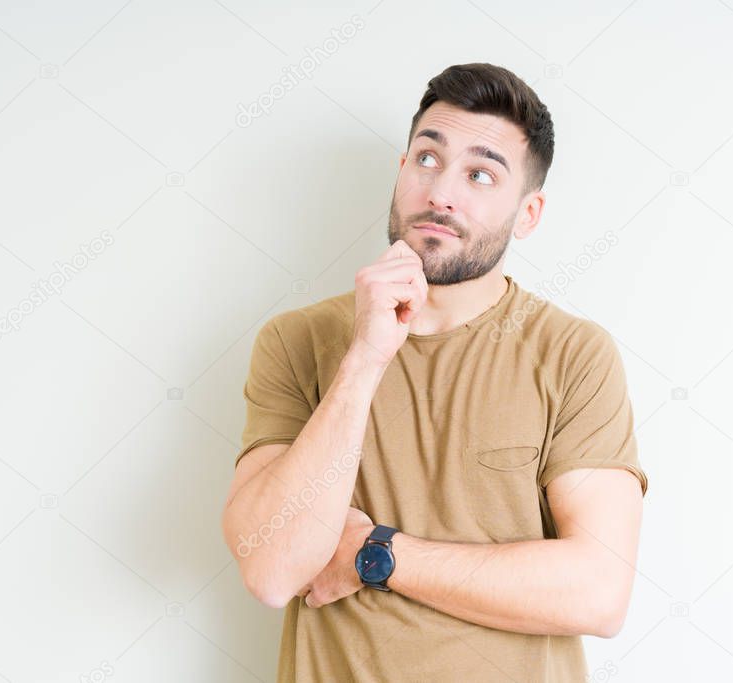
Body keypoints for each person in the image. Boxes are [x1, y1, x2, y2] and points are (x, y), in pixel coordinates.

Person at [221, 62, 648, 682]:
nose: (440, 192)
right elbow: (270, 570)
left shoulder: (573, 354)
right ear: (400, 172)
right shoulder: (299, 342)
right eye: (427, 158)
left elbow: (598, 592)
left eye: (480, 174)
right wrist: (364, 358)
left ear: (528, 214)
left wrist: (379, 555)